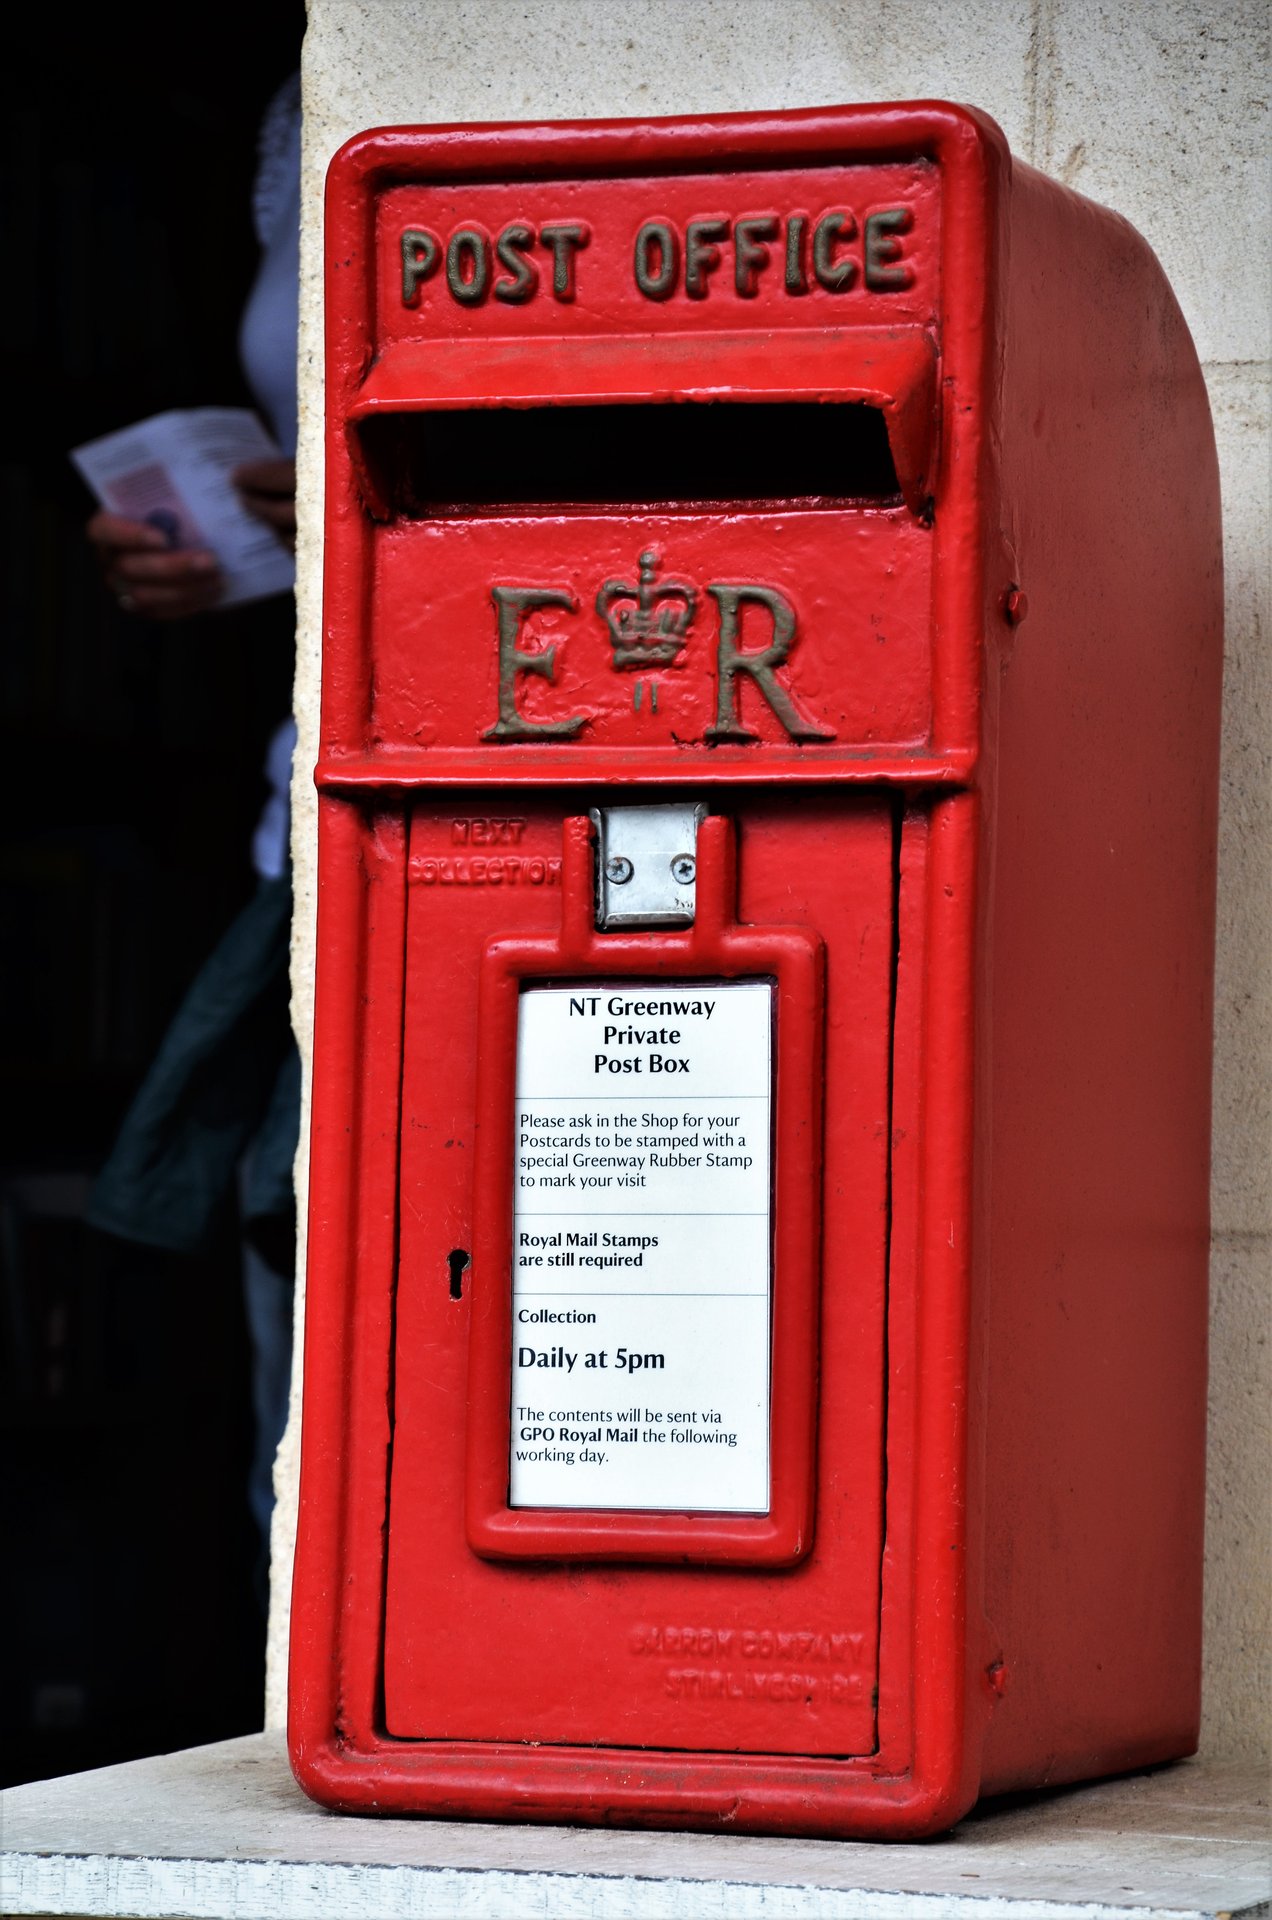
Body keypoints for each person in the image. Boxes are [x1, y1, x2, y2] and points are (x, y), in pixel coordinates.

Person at [84, 72, 302, 1595]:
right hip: (302, 841)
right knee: (292, 1359)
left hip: (496, 806)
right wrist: (229, 554)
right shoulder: (290, 101)